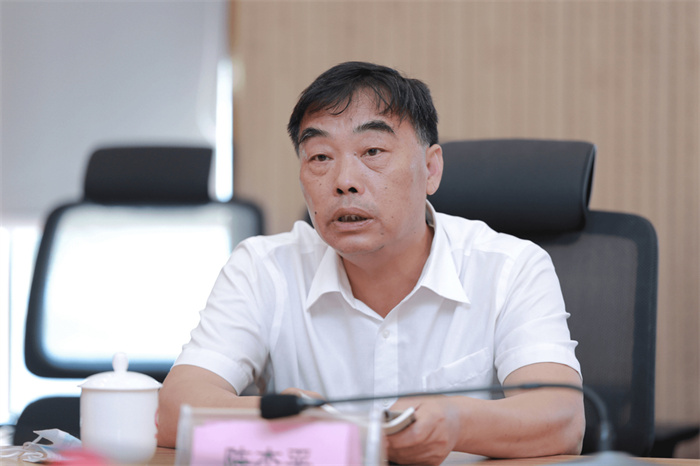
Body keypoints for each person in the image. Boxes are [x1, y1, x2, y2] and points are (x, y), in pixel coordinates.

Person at [157, 61, 585, 464]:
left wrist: (456, 421)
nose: (344, 181)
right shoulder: (263, 268)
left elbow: (563, 418)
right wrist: (295, 421)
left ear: (431, 169)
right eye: (320, 157)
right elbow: (175, 411)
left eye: (373, 151)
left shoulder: (511, 268)